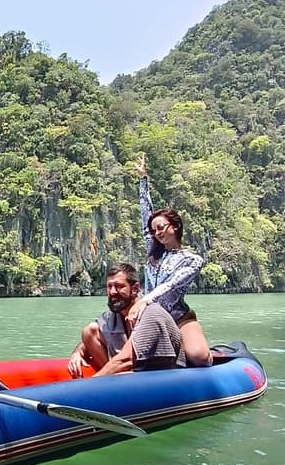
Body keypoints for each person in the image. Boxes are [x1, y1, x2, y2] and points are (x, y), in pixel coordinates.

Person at [131, 155, 212, 367]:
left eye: (161, 227)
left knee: (199, 357)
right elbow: (144, 213)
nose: (157, 233)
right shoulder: (153, 252)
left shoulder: (192, 260)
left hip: (179, 317)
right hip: (149, 316)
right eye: (154, 229)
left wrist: (145, 300)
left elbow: (172, 284)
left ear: (174, 226)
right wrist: (143, 179)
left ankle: (206, 353)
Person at [68, 263, 186, 378]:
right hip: (131, 375)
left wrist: (91, 385)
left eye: (119, 286)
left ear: (135, 289)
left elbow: (126, 360)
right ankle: (112, 380)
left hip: (160, 378)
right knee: (89, 331)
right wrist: (78, 352)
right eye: (109, 286)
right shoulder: (116, 314)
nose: (112, 292)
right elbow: (90, 335)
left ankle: (108, 381)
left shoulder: (151, 314)